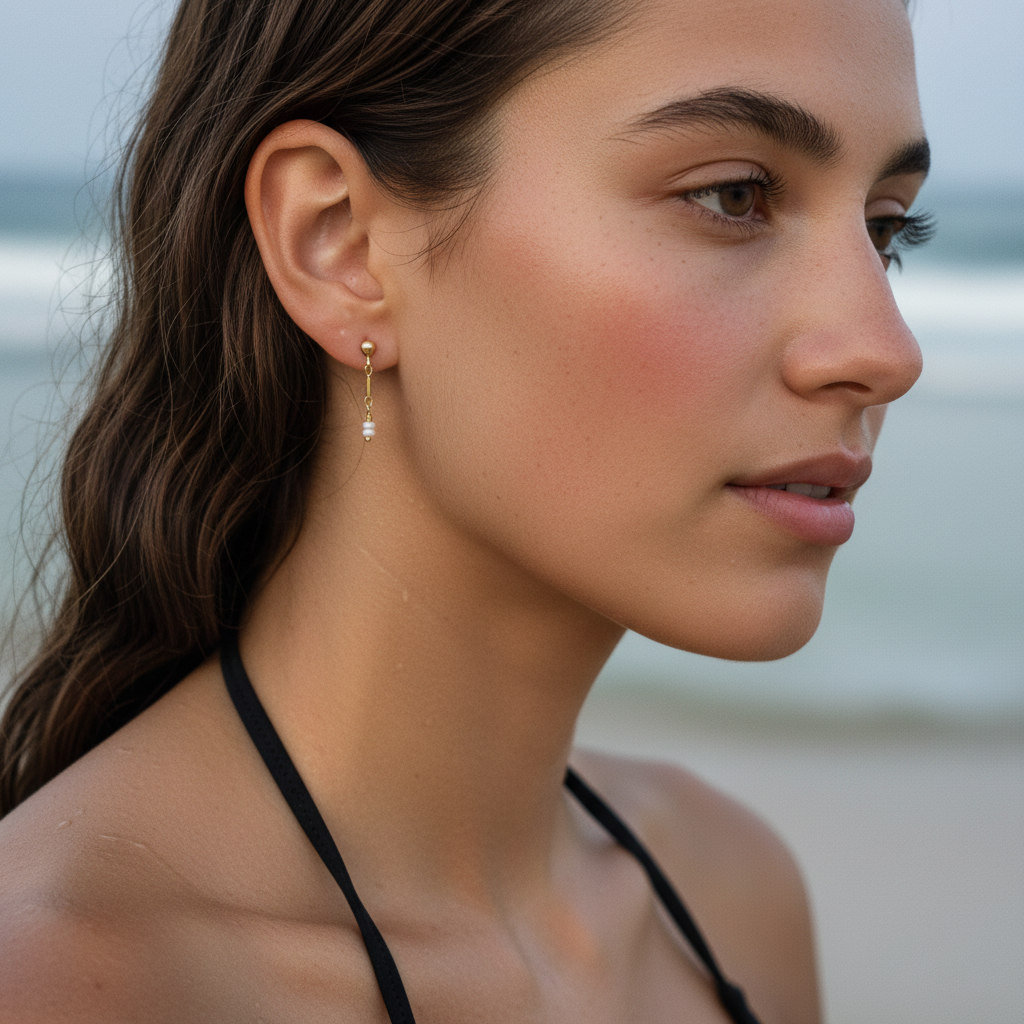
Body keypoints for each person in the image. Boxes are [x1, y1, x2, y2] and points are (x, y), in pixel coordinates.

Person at [0, 0, 932, 1019]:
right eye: (732, 195)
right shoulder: (69, 976)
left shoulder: (728, 899)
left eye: (885, 228)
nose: (883, 351)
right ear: (340, 245)